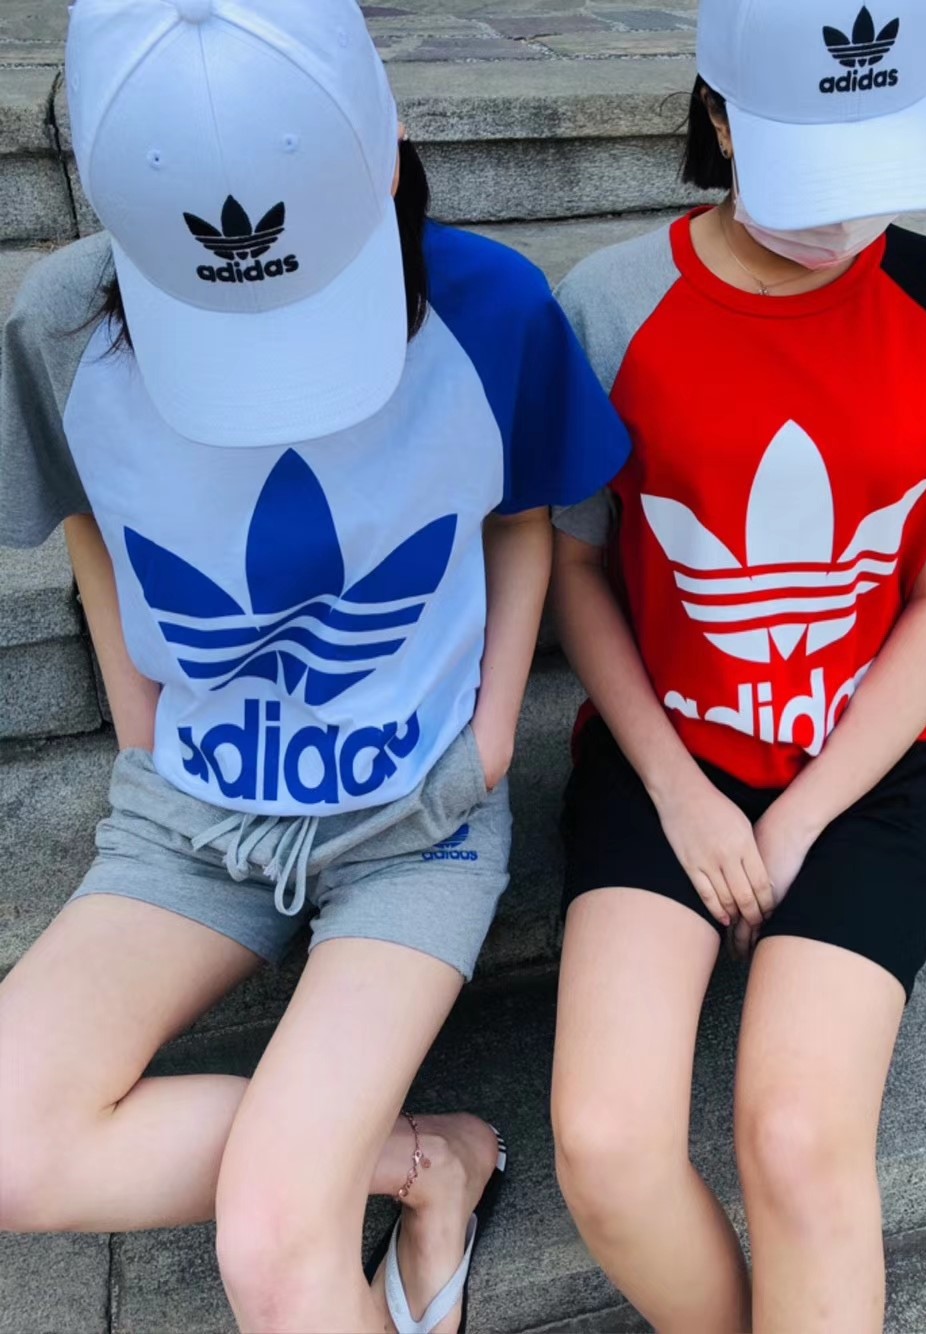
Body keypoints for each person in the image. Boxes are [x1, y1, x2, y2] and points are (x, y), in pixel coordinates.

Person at [0, 3, 629, 1332]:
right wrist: (141, 732)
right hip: (191, 812)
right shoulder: (64, 320)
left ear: (386, 152)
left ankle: (341, 1163)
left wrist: (491, 734)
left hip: (414, 818)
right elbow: (87, 514)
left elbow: (521, 511)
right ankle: (420, 1159)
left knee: (278, 1248)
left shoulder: (492, 307)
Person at [548, 0, 926, 1329]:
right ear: (718, 117)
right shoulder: (612, 306)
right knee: (603, 1146)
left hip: (871, 772)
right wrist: (683, 795)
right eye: (812, 170)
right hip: (667, 753)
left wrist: (808, 808)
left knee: (799, 1142)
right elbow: (578, 570)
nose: (843, 218)